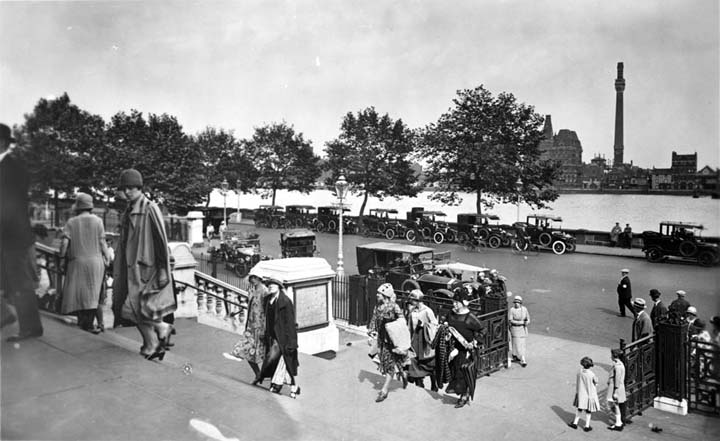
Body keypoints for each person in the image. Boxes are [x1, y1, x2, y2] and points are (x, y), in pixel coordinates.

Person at [112, 169, 176, 360]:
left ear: (140, 188)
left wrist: (164, 269)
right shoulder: (129, 210)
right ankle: (157, 335)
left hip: (146, 269)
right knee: (134, 309)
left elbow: (161, 241)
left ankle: (152, 342)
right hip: (132, 269)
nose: (128, 192)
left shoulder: (150, 208)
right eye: (126, 188)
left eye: (132, 188)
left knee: (133, 308)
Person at [0, 123, 44, 341]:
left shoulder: (13, 168)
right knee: (16, 280)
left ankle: (30, 327)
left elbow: (11, 205)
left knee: (19, 281)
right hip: (9, 234)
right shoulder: (10, 167)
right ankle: (6, 315)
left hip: (12, 235)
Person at [59, 193, 111, 334]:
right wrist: (107, 258)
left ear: (78, 206)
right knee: (93, 293)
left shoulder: (71, 222)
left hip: (77, 262)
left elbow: (64, 243)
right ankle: (89, 324)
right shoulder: (98, 221)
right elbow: (102, 242)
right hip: (96, 262)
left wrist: (62, 258)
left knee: (80, 293)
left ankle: (85, 323)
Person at [258, 278, 300, 398]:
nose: (270, 286)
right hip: (270, 336)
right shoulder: (267, 300)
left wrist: (292, 341)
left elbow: (290, 323)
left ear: (279, 287)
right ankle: (290, 386)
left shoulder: (285, 302)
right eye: (269, 285)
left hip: (282, 337)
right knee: (282, 363)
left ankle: (269, 380)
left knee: (272, 358)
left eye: (273, 285)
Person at [367, 282, 410, 403]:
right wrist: (371, 330)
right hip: (381, 339)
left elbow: (402, 319)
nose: (377, 295)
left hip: (392, 340)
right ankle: (403, 373)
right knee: (381, 359)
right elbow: (374, 318)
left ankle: (384, 390)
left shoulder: (394, 306)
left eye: (379, 293)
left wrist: (394, 327)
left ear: (385, 295)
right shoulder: (378, 306)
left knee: (389, 364)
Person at [224, 273, 269, 384]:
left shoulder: (265, 291)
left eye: (254, 278)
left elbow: (268, 310)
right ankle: (257, 373)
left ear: (259, 278)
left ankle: (263, 375)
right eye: (251, 278)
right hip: (251, 325)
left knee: (261, 353)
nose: (252, 280)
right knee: (248, 350)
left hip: (261, 326)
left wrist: (266, 327)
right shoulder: (251, 290)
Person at [444, 287, 484, 408]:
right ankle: (460, 393)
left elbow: (482, 330)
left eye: (457, 302)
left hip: (466, 350)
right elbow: (446, 323)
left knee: (463, 373)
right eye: (453, 302)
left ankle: (464, 396)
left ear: (464, 303)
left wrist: (476, 342)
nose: (454, 304)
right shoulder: (451, 314)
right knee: (454, 371)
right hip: (453, 348)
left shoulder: (470, 318)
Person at [405, 289, 438, 390]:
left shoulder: (427, 311)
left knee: (429, 363)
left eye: (413, 300)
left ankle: (434, 383)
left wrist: (424, 325)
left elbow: (435, 325)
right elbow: (409, 326)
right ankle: (419, 383)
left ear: (418, 300)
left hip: (425, 341)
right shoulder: (412, 311)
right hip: (414, 340)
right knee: (414, 361)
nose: (411, 302)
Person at [568, 356, 600, 432]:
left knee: (579, 409)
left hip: (581, 393)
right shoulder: (591, 374)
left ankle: (575, 423)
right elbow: (596, 383)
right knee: (588, 411)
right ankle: (587, 425)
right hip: (589, 394)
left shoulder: (579, 371)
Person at [606, 349, 627, 431]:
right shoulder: (619, 364)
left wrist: (615, 391)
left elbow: (617, 380)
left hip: (615, 388)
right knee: (615, 405)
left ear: (615, 356)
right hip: (617, 387)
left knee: (614, 405)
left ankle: (618, 423)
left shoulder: (617, 367)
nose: (610, 356)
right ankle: (619, 422)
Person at [508, 295, 530, 367]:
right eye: (515, 302)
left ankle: (522, 358)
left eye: (518, 302)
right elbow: (510, 320)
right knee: (516, 344)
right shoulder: (512, 310)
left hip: (523, 330)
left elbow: (528, 318)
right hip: (515, 329)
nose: (516, 304)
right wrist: (521, 322)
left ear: (520, 303)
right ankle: (515, 355)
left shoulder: (524, 309)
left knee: (522, 344)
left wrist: (526, 322)